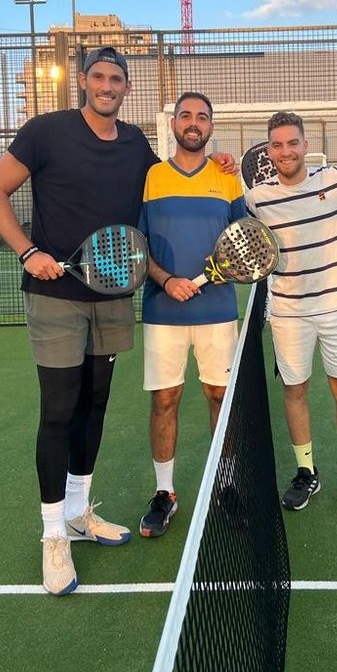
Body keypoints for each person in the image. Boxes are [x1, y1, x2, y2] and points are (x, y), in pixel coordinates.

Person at [0, 47, 235, 596]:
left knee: (95, 402)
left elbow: (175, 180)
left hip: (113, 297)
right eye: (98, 76)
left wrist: (223, 164)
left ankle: (78, 513)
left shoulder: (136, 146)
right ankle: (53, 535)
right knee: (58, 410)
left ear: (126, 87)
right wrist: (28, 252)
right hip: (55, 296)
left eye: (116, 79)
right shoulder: (44, 131)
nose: (107, 86)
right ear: (83, 81)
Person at [245, 111, 337, 518]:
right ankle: (306, 471)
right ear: (269, 151)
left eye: (292, 142)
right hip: (287, 313)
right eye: (277, 144)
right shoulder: (256, 198)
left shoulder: (336, 178)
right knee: (294, 390)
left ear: (305, 145)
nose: (285, 151)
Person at [137, 92, 246, 539]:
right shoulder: (151, 176)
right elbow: (138, 247)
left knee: (221, 398)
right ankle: (165, 494)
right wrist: (166, 281)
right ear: (173, 125)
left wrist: (217, 273)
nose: (193, 123)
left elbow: (243, 239)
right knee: (165, 399)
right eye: (186, 115)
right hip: (163, 310)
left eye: (202, 116)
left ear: (210, 126)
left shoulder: (226, 178)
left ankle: (228, 486)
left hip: (217, 308)